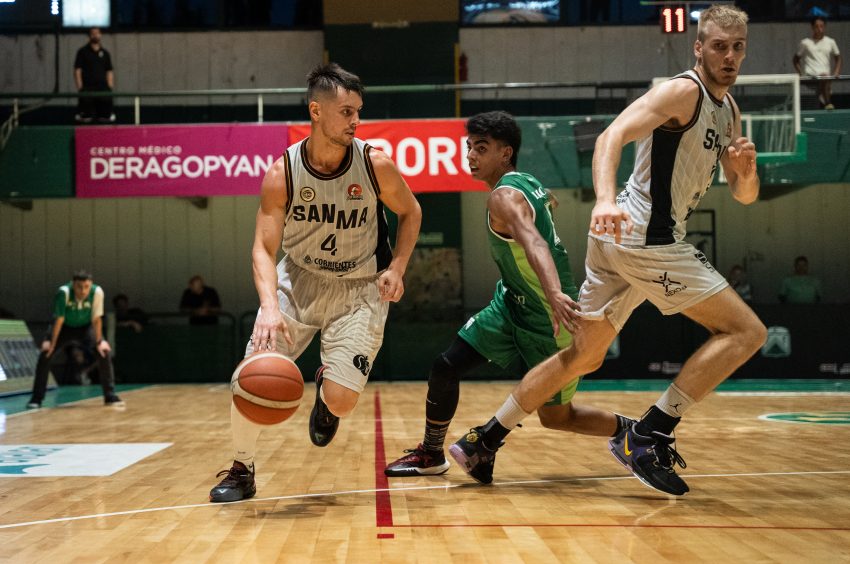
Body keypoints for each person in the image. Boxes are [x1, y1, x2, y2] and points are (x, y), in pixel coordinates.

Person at [449, 5, 766, 496]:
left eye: (737, 47)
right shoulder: (682, 91)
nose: (728, 56)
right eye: (718, 46)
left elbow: (744, 195)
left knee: (582, 357)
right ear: (698, 47)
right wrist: (601, 198)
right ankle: (650, 432)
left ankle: (484, 439)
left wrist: (745, 172)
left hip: (620, 243)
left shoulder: (729, 113)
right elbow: (611, 135)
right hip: (646, 238)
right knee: (746, 331)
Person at [209, 63, 422, 502]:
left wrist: (397, 267)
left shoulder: (374, 164)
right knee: (249, 374)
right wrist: (268, 305)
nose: (355, 121)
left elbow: (411, 213)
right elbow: (263, 250)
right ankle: (241, 468)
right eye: (346, 112)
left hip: (359, 287)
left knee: (343, 401)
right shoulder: (282, 173)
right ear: (316, 111)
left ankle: (327, 393)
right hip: (299, 281)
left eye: (358, 111)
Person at [384, 111, 635, 480]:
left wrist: (552, 295)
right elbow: (539, 214)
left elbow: (533, 242)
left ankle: (634, 431)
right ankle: (431, 453)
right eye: (469, 147)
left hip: (549, 314)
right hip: (511, 303)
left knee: (556, 418)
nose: (471, 155)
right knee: (446, 365)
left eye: (481, 148)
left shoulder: (503, 197)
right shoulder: (525, 183)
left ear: (505, 154)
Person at [27, 270, 124, 409]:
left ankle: (110, 396)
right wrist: (51, 343)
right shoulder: (64, 292)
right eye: (79, 287)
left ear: (91, 285)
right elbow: (58, 320)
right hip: (64, 327)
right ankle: (36, 399)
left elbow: (96, 319)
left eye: (86, 287)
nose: (83, 291)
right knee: (45, 355)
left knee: (104, 353)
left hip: (86, 327)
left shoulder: (97, 292)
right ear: (73, 284)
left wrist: (99, 341)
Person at [793, 17, 842, 110]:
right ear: (812, 27)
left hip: (825, 77)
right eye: (817, 26)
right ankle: (827, 103)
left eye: (822, 26)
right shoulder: (805, 43)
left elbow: (838, 58)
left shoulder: (831, 42)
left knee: (825, 79)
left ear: (825, 27)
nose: (819, 29)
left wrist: (836, 72)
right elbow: (795, 60)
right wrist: (801, 74)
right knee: (823, 78)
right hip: (810, 76)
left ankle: (823, 101)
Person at [74, 27, 116, 124]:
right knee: (86, 118)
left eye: (97, 33)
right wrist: (80, 88)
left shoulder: (105, 53)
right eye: (93, 33)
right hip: (87, 88)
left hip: (102, 88)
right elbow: (77, 70)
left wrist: (109, 86)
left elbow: (109, 71)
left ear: (100, 35)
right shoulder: (82, 52)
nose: (95, 35)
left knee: (105, 117)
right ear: (89, 36)